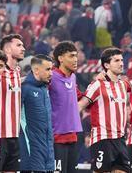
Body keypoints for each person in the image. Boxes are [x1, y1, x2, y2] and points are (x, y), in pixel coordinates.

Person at [79, 47, 130, 173]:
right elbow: (80, 106)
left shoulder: (123, 85)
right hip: (102, 139)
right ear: (106, 65)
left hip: (120, 139)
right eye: (116, 60)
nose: (121, 63)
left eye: (121, 60)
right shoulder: (97, 84)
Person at [48, 41, 81, 173]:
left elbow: (79, 96)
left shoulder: (73, 77)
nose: (75, 59)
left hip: (73, 137)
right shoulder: (50, 76)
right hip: (56, 138)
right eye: (71, 56)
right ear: (61, 58)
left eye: (76, 56)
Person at [19, 54, 54, 173]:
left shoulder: (44, 88)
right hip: (31, 150)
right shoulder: (24, 88)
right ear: (36, 70)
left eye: (51, 69)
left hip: (48, 149)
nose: (51, 73)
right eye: (48, 69)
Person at [0, 35, 24, 173]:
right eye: (19, 45)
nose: (23, 48)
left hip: (14, 134)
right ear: (7, 49)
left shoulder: (17, 71)